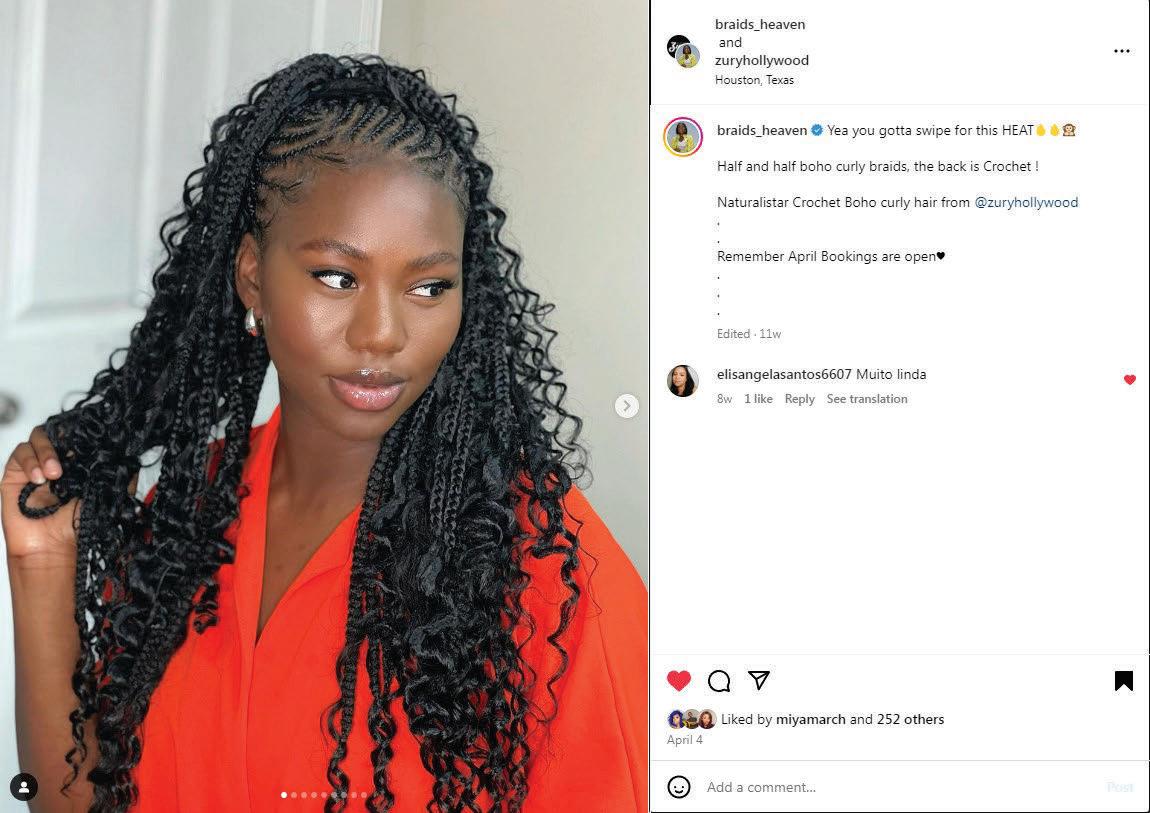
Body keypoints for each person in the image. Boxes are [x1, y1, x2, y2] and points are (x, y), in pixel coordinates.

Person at [2, 53, 647, 813]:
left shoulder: (551, 576)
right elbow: (74, 799)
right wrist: (40, 564)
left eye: (429, 286)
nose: (382, 334)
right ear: (252, 275)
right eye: (337, 278)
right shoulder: (182, 522)